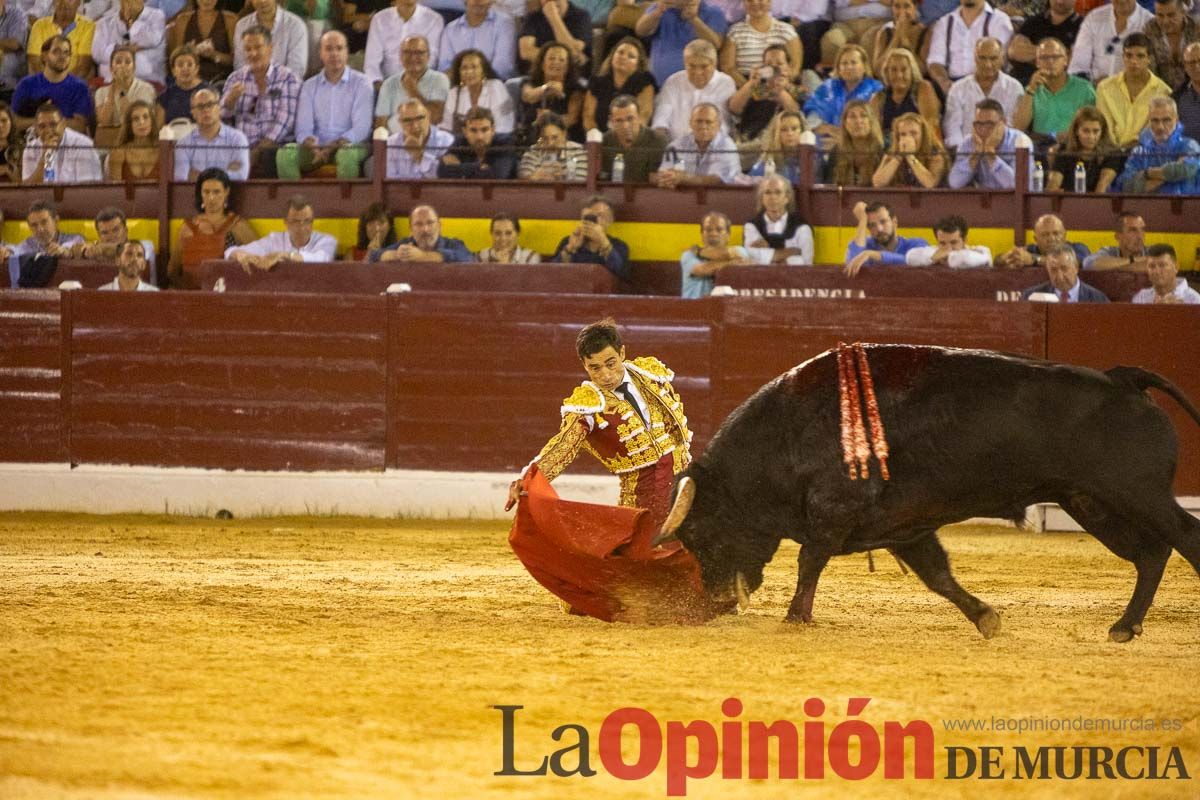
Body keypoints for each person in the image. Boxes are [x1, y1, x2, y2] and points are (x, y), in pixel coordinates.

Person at [504, 318, 705, 623]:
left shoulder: (649, 374)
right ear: (584, 366)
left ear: (623, 353)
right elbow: (563, 445)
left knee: (706, 541)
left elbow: (674, 427)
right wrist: (529, 476)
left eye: (610, 363)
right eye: (594, 368)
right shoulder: (589, 405)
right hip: (643, 491)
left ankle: (705, 599)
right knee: (645, 557)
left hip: (682, 476)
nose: (605, 374)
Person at [277, 30, 373, 179]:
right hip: (317, 148)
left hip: (352, 145)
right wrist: (313, 146)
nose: (334, 54)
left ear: (347, 53)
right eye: (328, 49)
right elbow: (303, 128)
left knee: (346, 155)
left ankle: (345, 201)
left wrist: (332, 146)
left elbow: (361, 129)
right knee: (286, 153)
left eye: (339, 48)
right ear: (320, 53)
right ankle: (297, 201)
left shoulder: (362, 83)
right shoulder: (309, 86)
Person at [221, 26, 302, 178]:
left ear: (270, 48)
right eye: (247, 49)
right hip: (241, 145)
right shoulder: (235, 78)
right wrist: (230, 101)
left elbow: (285, 122)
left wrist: (257, 151)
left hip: (276, 145)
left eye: (258, 47)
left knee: (269, 156)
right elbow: (222, 117)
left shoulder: (288, 78)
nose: (253, 53)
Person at [170, 168, 258, 288]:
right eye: (206, 192)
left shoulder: (238, 225)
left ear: (226, 192)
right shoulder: (187, 228)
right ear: (200, 193)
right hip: (191, 298)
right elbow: (173, 270)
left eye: (216, 192)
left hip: (227, 297)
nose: (211, 198)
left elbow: (257, 263)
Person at [1011, 38, 1097, 144]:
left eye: (1055, 57)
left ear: (1066, 60)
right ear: (1037, 62)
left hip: (1073, 148)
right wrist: (1031, 90)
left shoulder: (1084, 89)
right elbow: (1018, 128)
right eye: (1044, 58)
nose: (1050, 62)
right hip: (1040, 148)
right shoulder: (1030, 90)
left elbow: (1095, 125)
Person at [942, 37, 1022, 150]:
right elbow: (952, 128)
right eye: (982, 58)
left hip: (1004, 152)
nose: (987, 64)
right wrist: (964, 152)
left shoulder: (1014, 87)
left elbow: (1012, 126)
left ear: (1002, 59)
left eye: (993, 58)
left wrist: (993, 148)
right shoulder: (958, 88)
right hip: (965, 153)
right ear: (975, 58)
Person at [1095, 32, 1172, 148]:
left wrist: (1127, 149)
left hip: (1145, 153)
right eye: (1129, 56)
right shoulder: (1105, 88)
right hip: (1109, 153)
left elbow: (1154, 131)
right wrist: (1115, 152)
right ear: (1123, 57)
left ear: (1149, 59)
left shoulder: (1163, 92)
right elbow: (1104, 126)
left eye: (1140, 56)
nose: (1133, 61)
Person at [651, 39, 735, 142]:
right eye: (692, 66)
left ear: (714, 64)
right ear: (685, 63)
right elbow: (661, 120)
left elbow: (722, 123)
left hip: (714, 148)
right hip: (676, 149)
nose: (697, 72)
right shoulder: (673, 82)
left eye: (704, 66)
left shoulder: (725, 83)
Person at [1114, 95, 1200, 193]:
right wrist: (1171, 174)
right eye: (1155, 120)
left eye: (1166, 120)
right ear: (1149, 120)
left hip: (1188, 206)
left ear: (1176, 119)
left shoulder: (1189, 146)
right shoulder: (1139, 152)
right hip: (1148, 206)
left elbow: (1187, 168)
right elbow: (1126, 185)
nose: (1160, 127)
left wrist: (1148, 174)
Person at [225, 195, 338, 268]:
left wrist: (286, 255)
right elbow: (230, 251)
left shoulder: (326, 240)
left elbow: (321, 259)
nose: (302, 227)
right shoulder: (274, 240)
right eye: (296, 221)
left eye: (307, 221)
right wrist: (241, 255)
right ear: (286, 222)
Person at [727, 44, 805, 148]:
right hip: (752, 142)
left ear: (788, 67)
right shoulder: (756, 88)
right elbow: (734, 108)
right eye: (769, 64)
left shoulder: (797, 89)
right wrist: (750, 83)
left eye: (779, 63)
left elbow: (795, 112)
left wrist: (780, 91)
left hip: (783, 144)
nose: (774, 67)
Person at [947, 98, 1035, 190]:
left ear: (1003, 123)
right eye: (978, 124)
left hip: (1014, 202)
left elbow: (1019, 186)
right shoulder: (968, 143)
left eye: (989, 124)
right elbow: (954, 183)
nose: (983, 130)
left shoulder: (1021, 141)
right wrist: (975, 155)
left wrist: (991, 156)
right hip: (983, 202)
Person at [12, 36, 93, 134]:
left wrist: (41, 122)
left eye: (66, 53)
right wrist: (47, 122)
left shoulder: (80, 87)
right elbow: (14, 122)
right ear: (44, 56)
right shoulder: (26, 84)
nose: (62, 56)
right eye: (56, 52)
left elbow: (80, 126)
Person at [804, 43, 882, 144]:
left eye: (853, 63)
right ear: (838, 68)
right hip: (826, 141)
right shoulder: (828, 87)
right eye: (844, 63)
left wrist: (843, 136)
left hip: (860, 143)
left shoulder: (876, 89)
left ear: (864, 66)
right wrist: (825, 128)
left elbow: (874, 126)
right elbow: (813, 117)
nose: (848, 67)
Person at [634, 0, 726, 86]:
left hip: (697, 87)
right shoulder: (662, 6)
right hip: (659, 85)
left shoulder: (713, 11)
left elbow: (715, 44)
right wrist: (657, 13)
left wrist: (694, 19)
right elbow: (640, 31)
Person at [651, 102, 742, 186]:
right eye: (699, 121)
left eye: (708, 122)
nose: (703, 126)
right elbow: (668, 172)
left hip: (721, 198)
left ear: (718, 125)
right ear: (690, 123)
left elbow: (716, 180)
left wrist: (684, 178)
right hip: (684, 199)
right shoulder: (677, 146)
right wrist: (666, 177)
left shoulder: (727, 146)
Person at [375, 35, 450, 133]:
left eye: (419, 53)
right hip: (394, 142)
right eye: (407, 52)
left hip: (427, 142)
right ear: (400, 56)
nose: (413, 57)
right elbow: (381, 124)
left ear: (428, 56)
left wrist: (412, 90)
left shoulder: (439, 79)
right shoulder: (389, 83)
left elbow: (436, 118)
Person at [719, 0, 801, 88]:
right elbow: (728, 68)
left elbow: (795, 66)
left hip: (781, 85)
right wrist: (751, 89)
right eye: (750, 0)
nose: (755, 3)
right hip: (745, 85)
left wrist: (781, 85)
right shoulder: (734, 32)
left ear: (769, 1)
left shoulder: (787, 30)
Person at [174, 87, 251, 181]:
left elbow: (240, 175)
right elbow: (181, 178)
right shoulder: (183, 144)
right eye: (200, 106)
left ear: (219, 108)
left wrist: (199, 176)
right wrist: (224, 174)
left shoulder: (237, 138)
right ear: (193, 113)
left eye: (210, 105)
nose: (206, 110)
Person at [1068, 0, 1153, 82]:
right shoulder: (1094, 18)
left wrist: (1114, 85)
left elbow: (1151, 69)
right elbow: (1078, 65)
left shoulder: (1149, 23)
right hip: (1094, 89)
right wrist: (1091, 83)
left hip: (1133, 90)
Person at [583, 36, 655, 133]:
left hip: (632, 139)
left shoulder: (645, 82)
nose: (623, 57)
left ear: (638, 65)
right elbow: (588, 117)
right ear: (613, 55)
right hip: (600, 139)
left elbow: (644, 115)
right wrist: (597, 137)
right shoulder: (597, 82)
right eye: (620, 52)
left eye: (631, 56)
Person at [518, 41, 584, 143]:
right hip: (530, 139)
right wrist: (547, 88)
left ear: (567, 67)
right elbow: (528, 96)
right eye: (551, 58)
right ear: (542, 63)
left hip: (564, 141)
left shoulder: (576, 89)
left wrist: (550, 119)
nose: (556, 62)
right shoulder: (529, 82)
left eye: (561, 60)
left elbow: (572, 118)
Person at [21, 101, 103, 183]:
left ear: (63, 124)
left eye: (53, 125)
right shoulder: (30, 149)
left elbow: (88, 189)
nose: (48, 131)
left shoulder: (83, 145)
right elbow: (29, 190)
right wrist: (45, 157)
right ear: (36, 128)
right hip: (44, 195)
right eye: (42, 126)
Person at [552, 195, 630, 281]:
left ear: (610, 221)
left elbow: (622, 273)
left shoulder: (618, 245)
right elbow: (552, 273)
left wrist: (603, 242)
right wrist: (570, 249)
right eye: (588, 217)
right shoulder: (567, 241)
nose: (594, 221)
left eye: (600, 216)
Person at [1046, 105, 1122, 192]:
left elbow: (1102, 186)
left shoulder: (1112, 153)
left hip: (1097, 202)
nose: (1091, 136)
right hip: (1068, 201)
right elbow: (1054, 182)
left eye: (1096, 131)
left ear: (1102, 131)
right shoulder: (1064, 150)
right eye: (1086, 131)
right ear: (1076, 131)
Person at [843, 199, 929, 277]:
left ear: (894, 222)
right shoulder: (865, 246)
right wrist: (862, 220)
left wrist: (872, 254)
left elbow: (912, 260)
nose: (879, 229)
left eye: (883, 221)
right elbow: (851, 269)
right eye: (872, 225)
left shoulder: (916, 244)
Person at [440, 49, 515, 137]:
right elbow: (446, 128)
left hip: (496, 142)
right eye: (464, 68)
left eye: (474, 67)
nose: (469, 72)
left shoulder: (496, 87)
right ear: (459, 72)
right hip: (461, 146)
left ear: (483, 71)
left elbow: (504, 126)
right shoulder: (454, 93)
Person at [867, 47, 941, 137]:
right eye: (893, 70)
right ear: (887, 72)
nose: (899, 75)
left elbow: (931, 125)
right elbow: (874, 132)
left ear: (912, 71)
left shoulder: (923, 88)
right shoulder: (879, 97)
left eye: (904, 70)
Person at [743, 174, 813, 266]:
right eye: (767, 192)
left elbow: (806, 263)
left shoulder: (802, 227)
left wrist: (767, 254)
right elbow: (751, 259)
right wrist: (792, 252)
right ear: (761, 198)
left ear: (787, 198)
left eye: (778, 192)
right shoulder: (751, 226)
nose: (772, 197)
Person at [93, 47, 157, 146]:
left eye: (127, 62)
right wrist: (113, 88)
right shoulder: (100, 92)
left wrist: (122, 89)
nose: (123, 65)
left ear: (134, 67)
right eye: (118, 62)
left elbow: (131, 119)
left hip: (136, 142)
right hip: (110, 142)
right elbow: (105, 122)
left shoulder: (146, 89)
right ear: (111, 68)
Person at [437, 0, 516, 80]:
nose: (478, 1)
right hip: (458, 86)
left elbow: (503, 67)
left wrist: (474, 80)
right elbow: (444, 68)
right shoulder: (450, 29)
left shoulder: (504, 23)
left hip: (493, 83)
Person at [1006, 0, 1082, 84]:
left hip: (1058, 87)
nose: (1060, 1)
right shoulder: (1033, 21)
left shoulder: (1083, 26)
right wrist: (1056, 56)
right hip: (1020, 83)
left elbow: (1074, 61)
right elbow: (1014, 51)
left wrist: (1032, 54)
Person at [91, 0, 166, 84]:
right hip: (109, 82)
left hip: (147, 82)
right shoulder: (103, 23)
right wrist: (123, 49)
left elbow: (152, 39)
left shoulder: (157, 16)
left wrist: (132, 21)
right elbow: (97, 54)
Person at [680, 210, 752, 297]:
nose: (713, 234)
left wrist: (699, 252)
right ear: (702, 234)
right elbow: (703, 270)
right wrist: (732, 264)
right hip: (695, 308)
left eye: (719, 229)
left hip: (728, 307)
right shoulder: (688, 255)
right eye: (708, 230)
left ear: (728, 235)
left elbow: (729, 254)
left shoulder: (739, 250)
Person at [372, 204, 475, 262]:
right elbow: (372, 257)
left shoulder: (453, 244)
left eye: (430, 223)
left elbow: (467, 258)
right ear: (411, 229)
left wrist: (422, 256)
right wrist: (395, 255)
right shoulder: (405, 243)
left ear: (439, 226)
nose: (425, 229)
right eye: (418, 224)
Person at [166, 0, 238, 83]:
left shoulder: (230, 20)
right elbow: (176, 58)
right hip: (190, 79)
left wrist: (214, 55)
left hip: (221, 79)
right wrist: (190, 52)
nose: (206, 1)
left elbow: (235, 60)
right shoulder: (183, 20)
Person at [600, 93, 667, 182]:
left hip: (646, 193)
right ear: (611, 121)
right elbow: (602, 178)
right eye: (619, 120)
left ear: (639, 117)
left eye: (630, 119)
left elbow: (655, 180)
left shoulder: (657, 140)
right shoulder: (605, 141)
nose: (625, 126)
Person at [233, 0, 308, 78]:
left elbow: (296, 68)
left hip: (285, 85)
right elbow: (240, 64)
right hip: (250, 84)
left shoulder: (295, 25)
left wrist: (272, 83)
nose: (262, 1)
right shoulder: (242, 26)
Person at [437, 106, 517, 178]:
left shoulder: (505, 143)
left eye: (484, 130)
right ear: (465, 131)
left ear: (493, 130)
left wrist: (459, 167)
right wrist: (478, 167)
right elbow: (441, 171)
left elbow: (498, 175)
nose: (479, 137)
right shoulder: (460, 142)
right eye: (473, 130)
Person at [872, 112, 948, 187]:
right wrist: (898, 157)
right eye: (903, 134)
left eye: (913, 133)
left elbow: (930, 183)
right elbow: (878, 183)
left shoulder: (935, 154)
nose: (908, 138)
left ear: (923, 135)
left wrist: (910, 157)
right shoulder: (892, 153)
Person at [385, 98, 455, 178]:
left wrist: (419, 156)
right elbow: (390, 181)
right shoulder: (390, 143)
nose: (415, 126)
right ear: (400, 122)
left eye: (419, 118)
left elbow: (446, 176)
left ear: (429, 116)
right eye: (407, 120)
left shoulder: (446, 141)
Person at [518, 0, 593, 74]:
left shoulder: (581, 16)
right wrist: (560, 58)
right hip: (536, 76)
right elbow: (526, 52)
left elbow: (572, 52)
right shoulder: (533, 17)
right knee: (511, 84)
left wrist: (554, 18)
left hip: (571, 77)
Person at [26, 0, 95, 79]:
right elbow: (35, 62)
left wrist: (63, 84)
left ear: (79, 2)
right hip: (43, 82)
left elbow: (84, 65)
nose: (63, 3)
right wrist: (50, 82)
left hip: (73, 84)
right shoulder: (39, 25)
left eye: (69, 0)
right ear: (53, 2)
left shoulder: (88, 25)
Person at [1019, 243, 1108, 302]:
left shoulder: (1098, 299)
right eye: (1053, 270)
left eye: (1064, 269)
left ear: (1076, 267)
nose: (1060, 276)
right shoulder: (1030, 297)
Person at [823, 99, 883, 186]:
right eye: (852, 117)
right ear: (845, 123)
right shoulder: (836, 151)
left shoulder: (883, 150)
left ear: (871, 122)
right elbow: (829, 186)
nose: (858, 121)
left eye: (863, 116)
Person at [1142, 0, 1200, 89]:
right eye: (1160, 15)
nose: (1165, 21)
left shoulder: (1196, 29)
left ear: (1183, 12)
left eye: (1171, 15)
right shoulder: (1149, 29)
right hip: (1160, 90)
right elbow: (1149, 70)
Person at [998, 212, 1091, 268]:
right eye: (1045, 235)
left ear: (1065, 235)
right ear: (1036, 239)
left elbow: (1075, 263)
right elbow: (997, 260)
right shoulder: (1031, 250)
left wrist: (1034, 260)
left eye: (1056, 233)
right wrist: (1009, 258)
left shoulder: (1079, 249)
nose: (1051, 238)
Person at [517, 111, 586, 181]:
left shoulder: (578, 151)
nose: (550, 143)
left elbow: (580, 184)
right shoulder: (534, 151)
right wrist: (534, 177)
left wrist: (563, 177)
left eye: (555, 137)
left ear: (564, 134)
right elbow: (523, 183)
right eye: (545, 138)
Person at [903, 215, 993, 268]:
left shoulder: (981, 251)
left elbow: (966, 259)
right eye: (942, 243)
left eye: (953, 242)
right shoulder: (934, 252)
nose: (948, 248)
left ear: (965, 240)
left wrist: (946, 257)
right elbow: (910, 256)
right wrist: (932, 258)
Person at [869, 0, 929, 77]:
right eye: (897, 6)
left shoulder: (925, 32)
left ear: (915, 7)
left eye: (907, 6)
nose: (902, 11)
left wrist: (904, 40)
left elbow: (922, 71)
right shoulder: (884, 32)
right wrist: (896, 38)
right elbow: (877, 71)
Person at [745, 109, 806, 183]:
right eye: (784, 130)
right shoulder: (767, 162)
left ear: (802, 131)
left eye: (794, 129)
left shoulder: (813, 158)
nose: (790, 133)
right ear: (776, 134)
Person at [157, 46, 213, 125]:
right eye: (180, 65)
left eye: (190, 64)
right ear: (173, 70)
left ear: (197, 68)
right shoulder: (165, 96)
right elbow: (159, 129)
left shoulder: (209, 92)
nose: (185, 69)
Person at [1131, 242, 1200, 303]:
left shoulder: (1194, 300)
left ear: (1176, 267)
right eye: (1152, 266)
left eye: (1162, 265)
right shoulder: (1141, 298)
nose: (1157, 271)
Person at [1082, 212, 1148, 271]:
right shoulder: (1109, 251)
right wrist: (1133, 260)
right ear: (1118, 236)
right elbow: (1087, 263)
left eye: (1143, 230)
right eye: (1132, 230)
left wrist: (1117, 266)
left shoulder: (1152, 251)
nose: (1140, 236)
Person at [477, 213, 542, 262]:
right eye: (497, 233)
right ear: (491, 234)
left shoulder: (530, 257)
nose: (503, 238)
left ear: (517, 234)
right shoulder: (481, 256)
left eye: (508, 233)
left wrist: (504, 266)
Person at [1176, 41, 1200, 143]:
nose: (1197, 67)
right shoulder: (1177, 97)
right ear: (1185, 67)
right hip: (1188, 156)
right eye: (1191, 63)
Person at [0, 102, 19, 182]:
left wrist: (8, 171)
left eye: (4, 120)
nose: (0, 125)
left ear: (11, 122)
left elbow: (24, 184)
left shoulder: (20, 148)